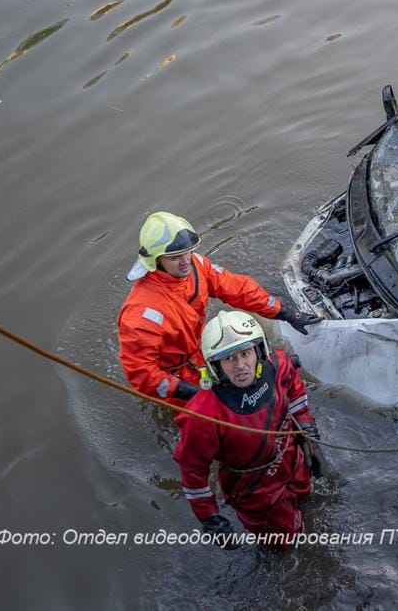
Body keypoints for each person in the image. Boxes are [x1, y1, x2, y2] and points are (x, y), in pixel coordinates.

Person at [117, 211, 321, 404]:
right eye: (175, 257)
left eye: (187, 252)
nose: (185, 261)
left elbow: (237, 289)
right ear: (155, 261)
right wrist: (186, 391)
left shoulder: (196, 266)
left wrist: (284, 312)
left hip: (200, 353)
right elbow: (141, 373)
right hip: (175, 377)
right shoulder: (141, 315)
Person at [174, 310, 323, 548]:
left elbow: (294, 388)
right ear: (216, 366)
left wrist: (308, 433)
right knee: (284, 542)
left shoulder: (277, 366)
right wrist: (210, 518)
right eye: (229, 359)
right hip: (254, 489)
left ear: (259, 351)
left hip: (292, 459)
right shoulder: (202, 415)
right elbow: (193, 472)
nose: (241, 366)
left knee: (306, 497)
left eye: (245, 354)